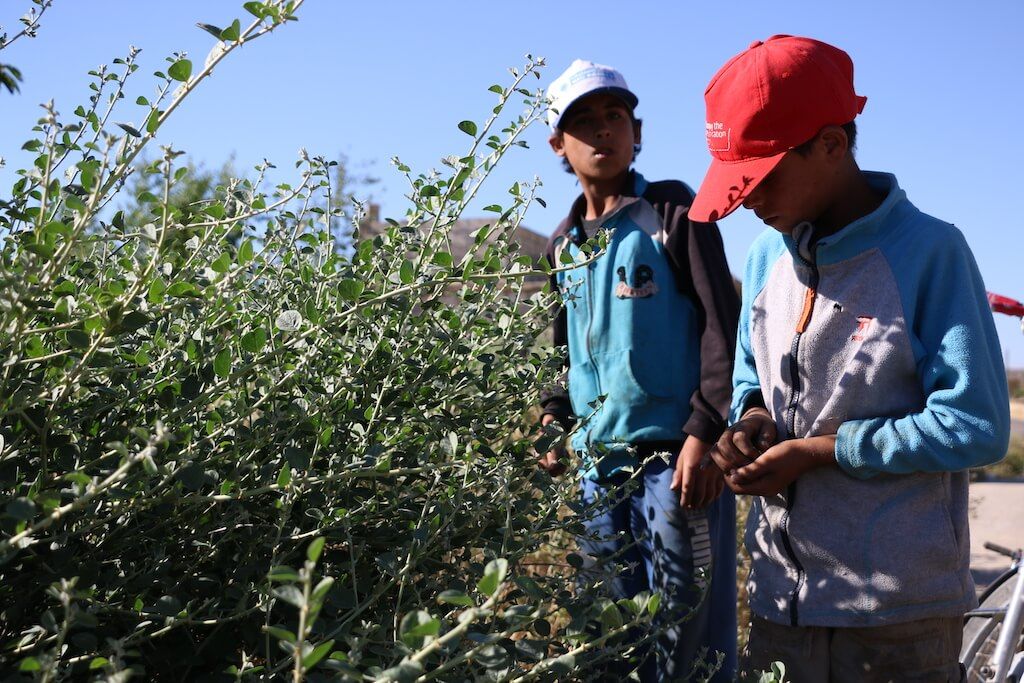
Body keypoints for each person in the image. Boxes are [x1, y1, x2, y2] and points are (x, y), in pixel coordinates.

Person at [687, 35, 1011, 682]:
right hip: (780, 603)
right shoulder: (765, 257)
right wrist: (751, 422)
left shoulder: (930, 253)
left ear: (832, 144)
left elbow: (975, 425)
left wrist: (821, 451)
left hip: (896, 614)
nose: (747, 199)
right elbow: (752, 376)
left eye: (762, 177)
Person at [537, 59, 740, 681]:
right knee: (607, 633)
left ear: (637, 131)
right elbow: (561, 352)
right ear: (558, 144)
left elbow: (722, 326)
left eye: (615, 116)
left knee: (686, 633)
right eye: (584, 121)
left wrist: (704, 434)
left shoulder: (670, 211)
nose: (603, 130)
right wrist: (552, 417)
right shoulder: (562, 245)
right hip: (597, 470)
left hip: (675, 465)